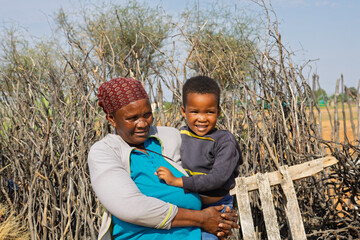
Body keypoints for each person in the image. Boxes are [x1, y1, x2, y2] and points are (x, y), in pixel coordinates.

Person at [87, 77, 239, 240]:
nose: (143, 124)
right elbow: (132, 207)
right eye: (132, 118)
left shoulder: (169, 136)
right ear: (111, 119)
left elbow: (205, 172)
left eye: (147, 115)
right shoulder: (105, 152)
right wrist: (201, 218)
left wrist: (221, 216)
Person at [156, 76, 243, 239]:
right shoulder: (180, 135)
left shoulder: (224, 141)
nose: (202, 118)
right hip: (188, 207)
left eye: (209, 112)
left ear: (218, 111)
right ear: (183, 111)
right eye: (195, 112)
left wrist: (177, 182)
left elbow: (217, 179)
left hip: (216, 208)